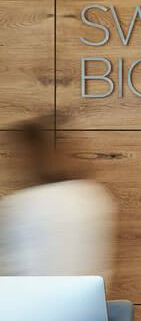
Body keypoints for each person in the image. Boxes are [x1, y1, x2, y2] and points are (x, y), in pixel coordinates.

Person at [0, 116, 116, 278]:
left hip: (37, 301)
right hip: (91, 302)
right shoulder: (94, 194)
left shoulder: (19, 205)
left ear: (27, 157)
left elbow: (11, 276)